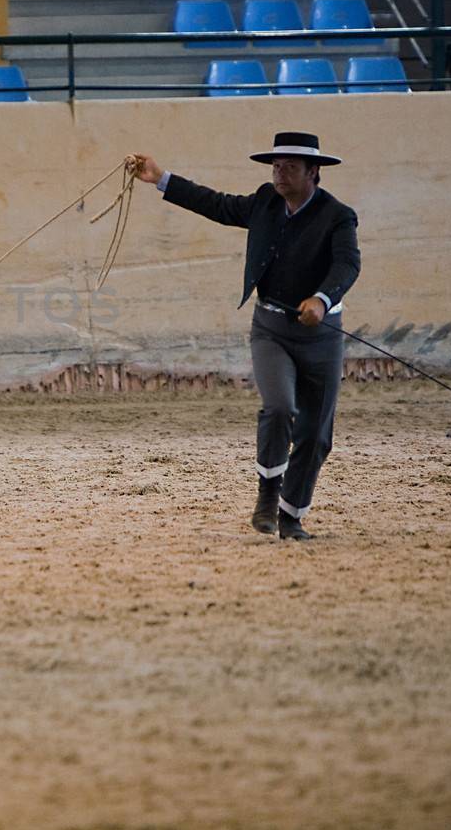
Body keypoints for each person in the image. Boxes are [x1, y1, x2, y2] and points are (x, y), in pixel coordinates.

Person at [130, 132, 360, 541]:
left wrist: (322, 300)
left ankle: (292, 517)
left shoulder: (338, 216)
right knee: (279, 408)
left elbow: (347, 265)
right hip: (270, 327)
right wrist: (161, 178)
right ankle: (268, 496)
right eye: (276, 165)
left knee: (316, 435)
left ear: (314, 173)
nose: (279, 173)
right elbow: (216, 204)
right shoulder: (264, 202)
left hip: (322, 335)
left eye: (289, 166)